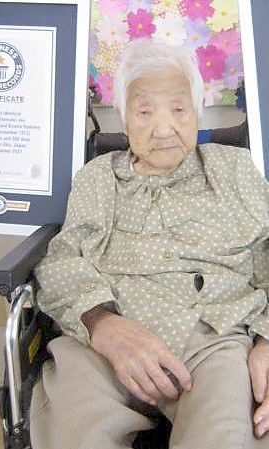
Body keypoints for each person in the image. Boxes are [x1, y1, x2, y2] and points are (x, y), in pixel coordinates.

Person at [31, 39, 269, 448]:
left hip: (214, 337)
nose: (163, 128)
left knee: (227, 437)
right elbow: (62, 258)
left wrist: (267, 340)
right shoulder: (98, 177)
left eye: (178, 109)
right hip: (107, 339)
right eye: (144, 111)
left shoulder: (233, 169)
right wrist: (103, 325)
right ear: (124, 119)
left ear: (196, 112)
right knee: (72, 433)